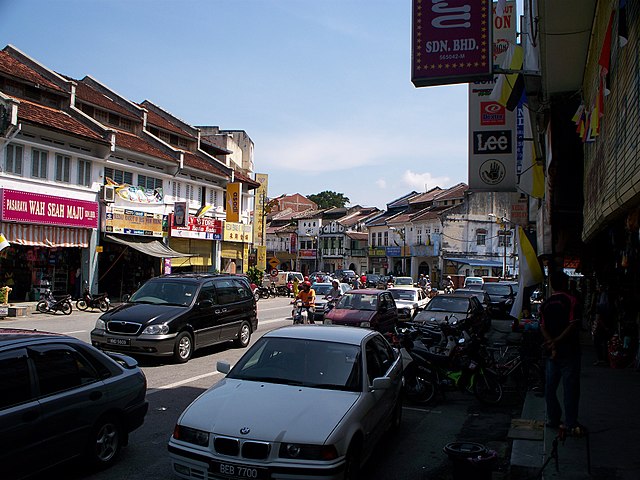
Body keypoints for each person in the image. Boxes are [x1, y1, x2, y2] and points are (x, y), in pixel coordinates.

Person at [540, 270, 583, 435]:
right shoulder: (571, 301)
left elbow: (542, 326)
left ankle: (553, 418)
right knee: (570, 389)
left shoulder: (546, 303)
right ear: (566, 284)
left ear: (551, 285)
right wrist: (557, 341)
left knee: (550, 388)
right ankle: (570, 422)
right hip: (569, 351)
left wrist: (551, 342)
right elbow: (573, 325)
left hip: (553, 353)